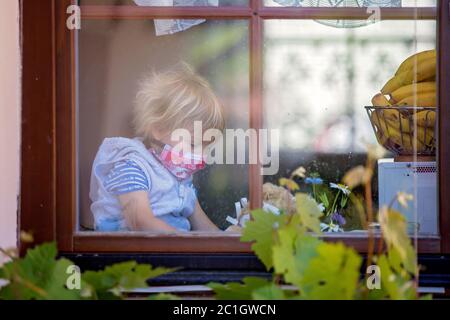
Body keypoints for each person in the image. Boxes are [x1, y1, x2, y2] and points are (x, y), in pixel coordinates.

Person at [89, 62, 225, 232]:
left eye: (206, 147)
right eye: (192, 144)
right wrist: (185, 243)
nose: (201, 155)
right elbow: (139, 221)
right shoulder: (132, 167)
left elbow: (204, 228)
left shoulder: (180, 178)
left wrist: (230, 241)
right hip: (135, 254)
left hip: (173, 251)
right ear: (159, 129)